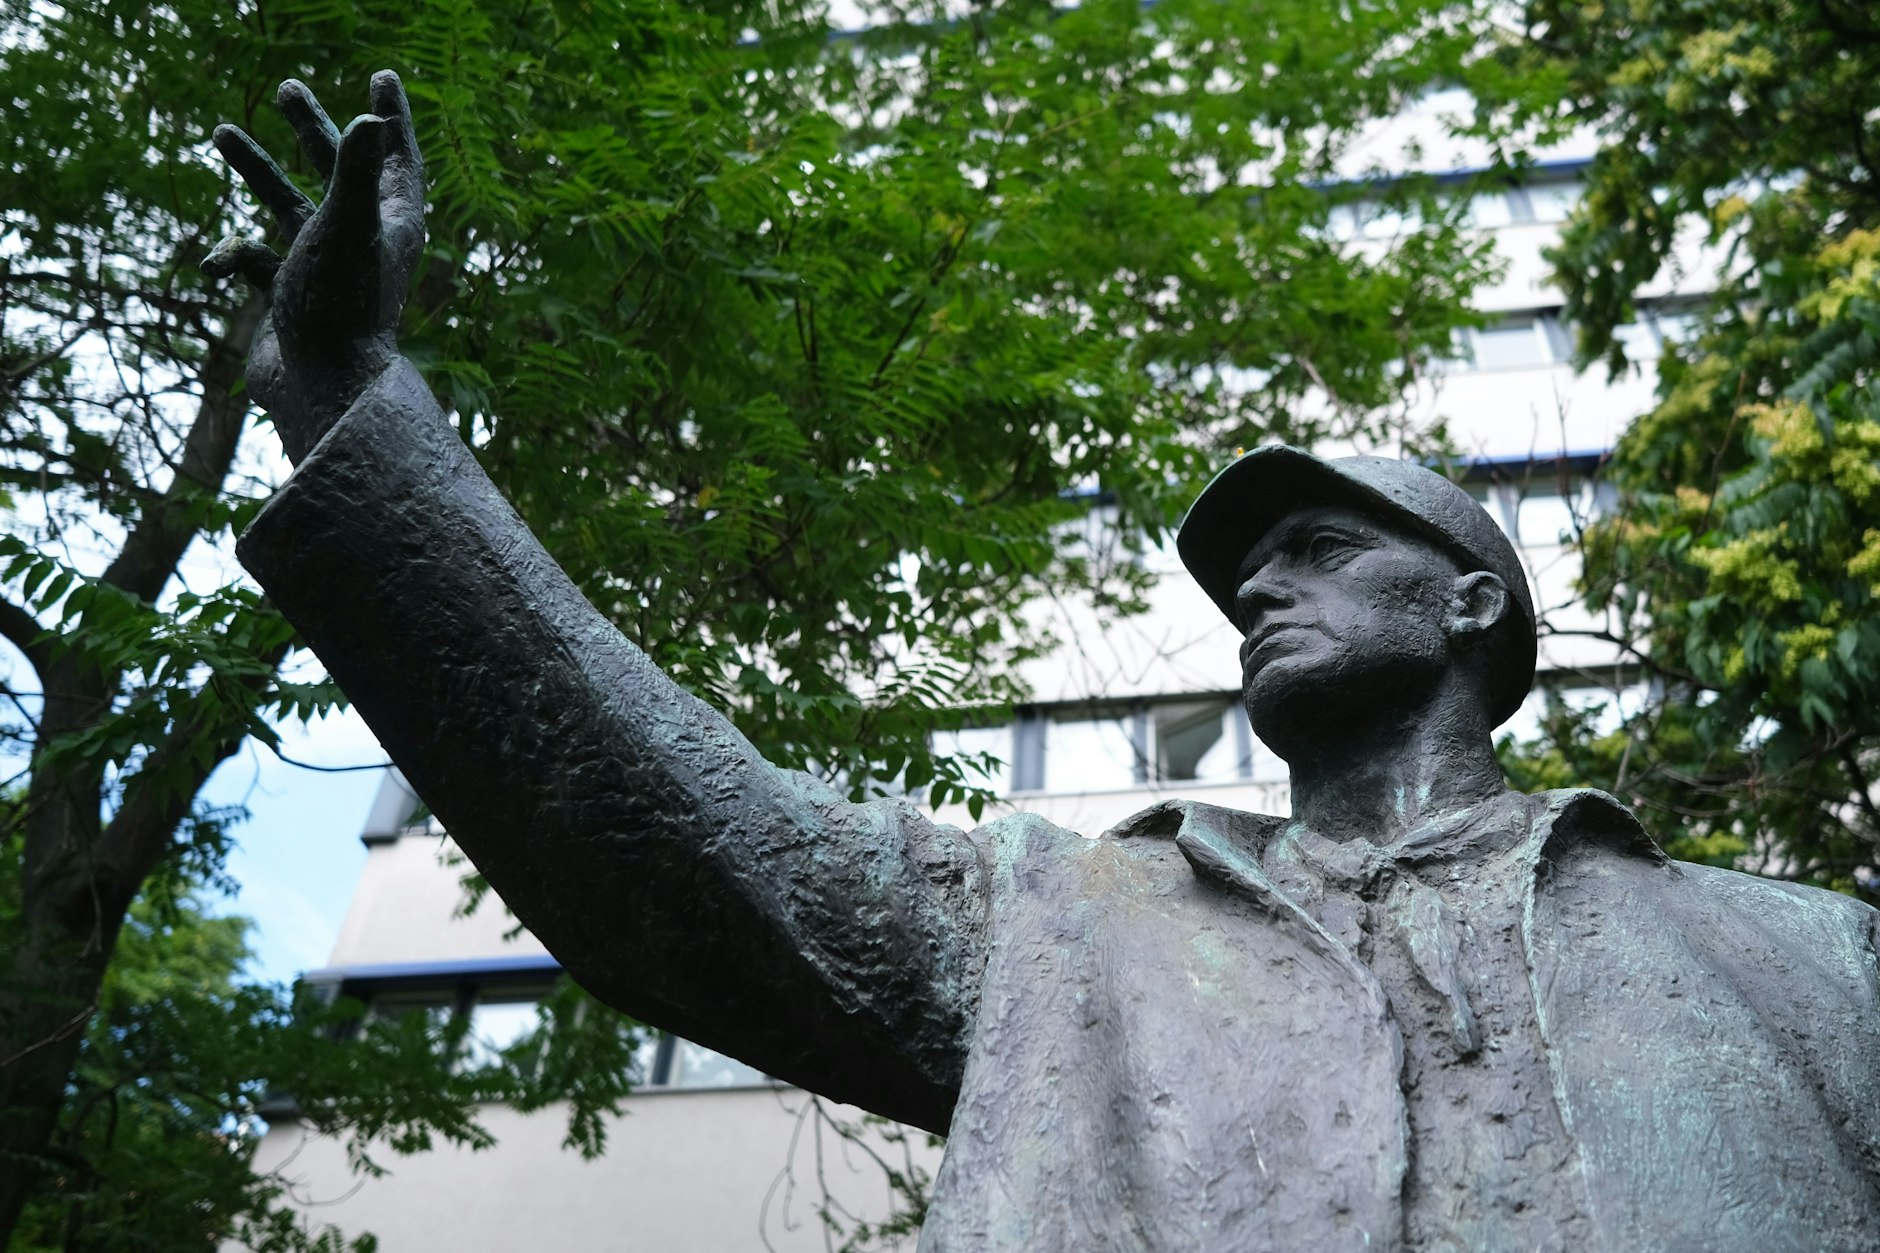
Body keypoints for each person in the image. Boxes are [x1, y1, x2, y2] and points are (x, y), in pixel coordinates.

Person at [210, 75, 1880, 1251]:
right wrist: (357, 406)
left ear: (1467, 605)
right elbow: (659, 824)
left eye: (1317, 548)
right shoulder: (1063, 920)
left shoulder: (1810, 959)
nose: (1258, 591)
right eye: (1245, 571)